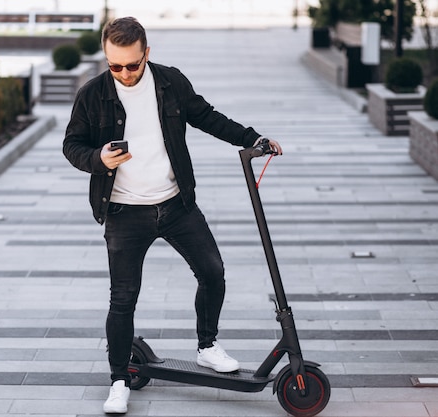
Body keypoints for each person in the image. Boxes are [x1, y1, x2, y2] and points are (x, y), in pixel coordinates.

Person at [62, 17, 282, 414]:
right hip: (125, 212)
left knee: (213, 272)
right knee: (123, 298)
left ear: (147, 53)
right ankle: (118, 380)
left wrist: (253, 138)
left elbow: (208, 116)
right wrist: (98, 159)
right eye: (115, 66)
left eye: (132, 64)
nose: (125, 74)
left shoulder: (169, 82)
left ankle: (208, 346)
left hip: (176, 204)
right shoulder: (92, 95)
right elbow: (72, 145)